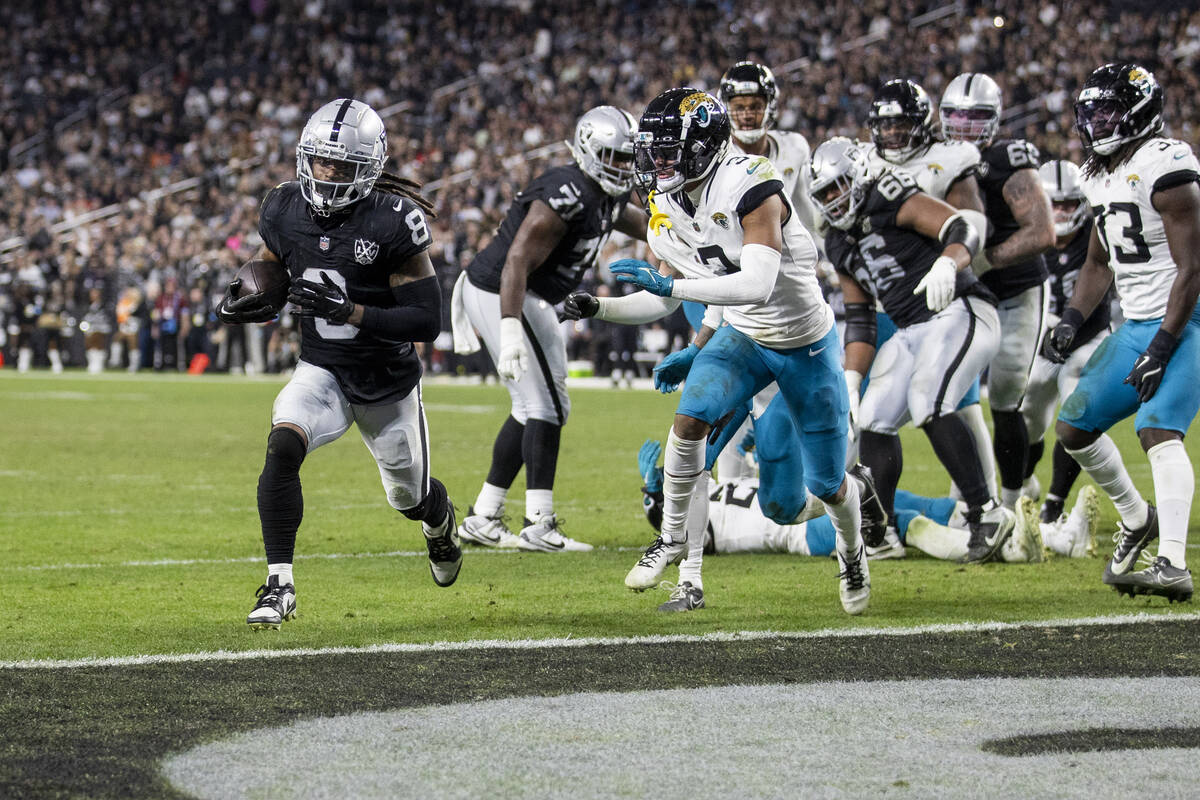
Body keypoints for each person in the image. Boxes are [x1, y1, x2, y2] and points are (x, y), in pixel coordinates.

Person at [566, 88, 872, 615]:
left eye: (667, 150)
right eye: (652, 149)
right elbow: (667, 293)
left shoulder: (752, 184)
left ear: (703, 146)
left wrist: (675, 293)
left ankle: (853, 551)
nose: (655, 161)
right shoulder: (666, 201)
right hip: (745, 337)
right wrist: (601, 309)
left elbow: (753, 283)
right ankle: (674, 549)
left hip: (804, 343)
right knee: (689, 422)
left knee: (825, 483)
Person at [215, 98, 461, 629]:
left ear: (367, 169)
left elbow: (425, 320)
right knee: (283, 445)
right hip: (321, 370)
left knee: (409, 498)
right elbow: (269, 268)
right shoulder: (282, 207)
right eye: (320, 161)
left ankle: (439, 521)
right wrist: (243, 294)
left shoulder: (392, 221)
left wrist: (351, 311)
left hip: (385, 382)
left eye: (341, 165)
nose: (327, 174)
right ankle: (279, 585)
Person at [451, 105, 648, 552]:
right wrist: (510, 327)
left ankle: (484, 516)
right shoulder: (568, 190)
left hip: (529, 296)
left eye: (626, 157)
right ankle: (539, 523)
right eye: (612, 156)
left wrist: (682, 233)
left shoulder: (605, 194)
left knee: (532, 407)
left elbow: (644, 226)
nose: (620, 166)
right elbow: (517, 259)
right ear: (587, 150)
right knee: (548, 407)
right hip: (503, 290)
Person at [812, 136, 1015, 564]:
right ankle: (879, 531)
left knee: (928, 399)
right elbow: (862, 317)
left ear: (860, 174)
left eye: (838, 186)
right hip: (911, 327)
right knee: (873, 416)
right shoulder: (836, 239)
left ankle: (987, 513)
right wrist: (850, 381)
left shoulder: (887, 196)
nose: (833, 199)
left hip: (960, 308)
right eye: (824, 193)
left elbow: (962, 227)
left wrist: (949, 262)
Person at [1053, 63, 1200, 602]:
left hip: (1189, 318)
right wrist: (1072, 318)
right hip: (1138, 321)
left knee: (1158, 429)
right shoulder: (1096, 174)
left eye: (1110, 110)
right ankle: (1138, 519)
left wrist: (1163, 346)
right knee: (1072, 429)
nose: (1098, 122)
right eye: (1091, 111)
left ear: (1140, 111)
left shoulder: (1168, 163)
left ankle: (1173, 564)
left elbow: (1194, 267)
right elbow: (1098, 260)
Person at [634, 438, 1085, 610]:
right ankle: (1025, 545)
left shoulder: (708, 484)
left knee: (900, 500)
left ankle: (1052, 533)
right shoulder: (695, 517)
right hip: (797, 532)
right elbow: (681, 532)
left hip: (804, 508)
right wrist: (653, 494)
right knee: (898, 521)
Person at [862, 78, 997, 501]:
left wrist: (947, 261)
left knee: (956, 403)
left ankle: (982, 503)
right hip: (888, 305)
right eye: (886, 127)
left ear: (922, 125)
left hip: (945, 298)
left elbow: (973, 225)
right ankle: (875, 521)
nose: (893, 135)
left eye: (902, 125)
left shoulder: (949, 159)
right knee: (874, 415)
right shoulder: (863, 162)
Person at [940, 73, 1057, 510]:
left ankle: (1012, 503)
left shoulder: (1009, 157)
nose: (965, 125)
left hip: (1015, 291)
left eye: (976, 117)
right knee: (954, 398)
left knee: (1007, 398)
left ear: (995, 118)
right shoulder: (936, 158)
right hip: (967, 298)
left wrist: (981, 259)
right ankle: (970, 495)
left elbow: (1043, 232)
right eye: (955, 115)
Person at [1020, 159, 1110, 538]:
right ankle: (1022, 484)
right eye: (1053, 204)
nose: (1061, 213)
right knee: (1025, 420)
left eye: (1069, 205)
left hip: (1088, 339)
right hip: (1039, 344)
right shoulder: (1025, 236)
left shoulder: (1099, 232)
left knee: (1075, 417)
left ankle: (1055, 503)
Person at [718, 60, 819, 235]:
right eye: (739, 107)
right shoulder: (718, 158)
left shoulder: (794, 147)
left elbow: (807, 213)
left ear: (769, 105)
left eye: (756, 106)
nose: (747, 115)